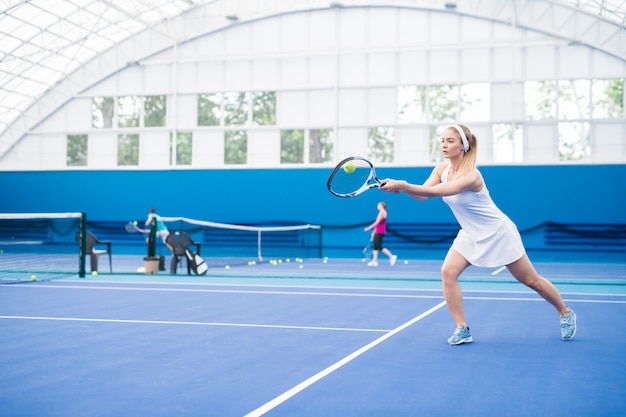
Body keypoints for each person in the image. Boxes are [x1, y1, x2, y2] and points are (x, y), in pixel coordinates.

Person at [379, 124, 576, 345]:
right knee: (448, 272)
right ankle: (462, 328)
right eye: (443, 140)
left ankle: (565, 312)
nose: (444, 144)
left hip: (499, 233)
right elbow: (422, 196)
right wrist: (401, 189)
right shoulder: (440, 170)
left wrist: (404, 185)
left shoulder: (472, 176)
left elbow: (436, 192)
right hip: (470, 234)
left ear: (464, 145)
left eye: (450, 141)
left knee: (531, 280)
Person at [363, 201, 398, 267]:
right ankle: (375, 261)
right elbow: (378, 224)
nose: (377, 206)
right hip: (378, 231)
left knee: (379, 246)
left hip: (380, 231)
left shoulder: (382, 212)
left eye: (378, 205)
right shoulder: (381, 212)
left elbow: (377, 222)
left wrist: (368, 228)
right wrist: (373, 232)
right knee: (375, 247)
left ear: (381, 206)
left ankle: (392, 256)